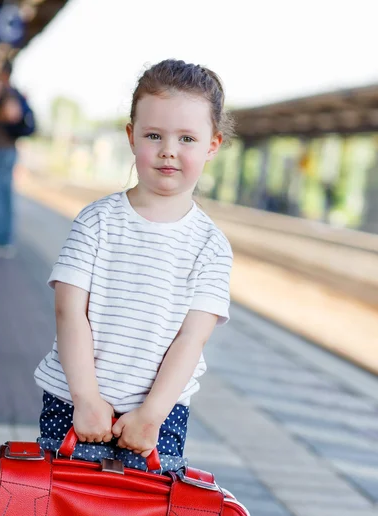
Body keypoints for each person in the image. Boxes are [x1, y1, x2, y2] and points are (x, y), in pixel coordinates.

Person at [34, 59, 235, 473]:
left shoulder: (211, 247)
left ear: (212, 144)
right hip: (74, 401)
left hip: (158, 416)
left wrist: (151, 415)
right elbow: (70, 312)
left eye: (187, 138)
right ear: (131, 136)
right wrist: (86, 397)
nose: (169, 150)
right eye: (154, 135)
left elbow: (190, 340)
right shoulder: (97, 222)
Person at [0, 60, 35, 256]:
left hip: (1, 150)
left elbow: (11, 115)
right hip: (7, 150)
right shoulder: (11, 92)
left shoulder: (6, 93)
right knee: (3, 195)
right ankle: (3, 241)